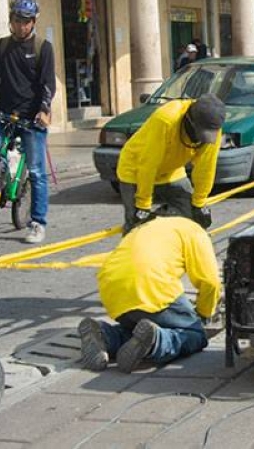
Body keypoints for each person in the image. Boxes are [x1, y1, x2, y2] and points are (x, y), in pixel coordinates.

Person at [77, 216, 221, 373]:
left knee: (137, 329)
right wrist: (203, 314)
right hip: (150, 285)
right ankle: (156, 342)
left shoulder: (148, 227)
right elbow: (210, 282)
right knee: (195, 335)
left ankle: (105, 335)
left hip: (111, 290)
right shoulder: (196, 232)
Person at [0, 0, 56, 244]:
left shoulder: (42, 48)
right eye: (17, 21)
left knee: (37, 172)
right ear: (11, 21)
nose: (21, 26)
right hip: (3, 114)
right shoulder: (0, 47)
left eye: (26, 22)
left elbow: (48, 84)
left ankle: (37, 223)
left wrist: (44, 109)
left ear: (33, 22)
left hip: (31, 118)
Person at [116, 93, 225, 233]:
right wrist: (143, 205)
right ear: (190, 120)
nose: (203, 139)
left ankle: (162, 228)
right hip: (135, 169)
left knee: (192, 217)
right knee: (136, 226)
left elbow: (206, 167)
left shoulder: (213, 126)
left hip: (172, 169)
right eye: (201, 133)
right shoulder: (166, 120)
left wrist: (200, 202)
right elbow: (148, 164)